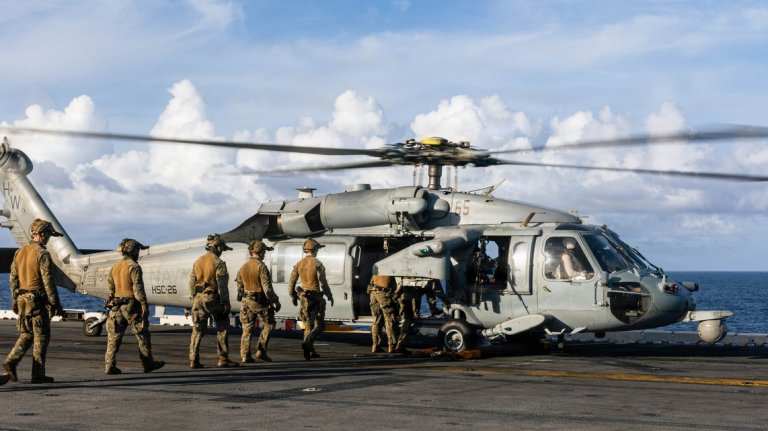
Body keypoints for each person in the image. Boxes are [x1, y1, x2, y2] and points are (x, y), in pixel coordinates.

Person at [1, 219, 65, 385]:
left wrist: (15, 301)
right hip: (37, 303)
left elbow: (13, 280)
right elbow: (48, 282)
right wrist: (56, 304)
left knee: (27, 334)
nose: (49, 238)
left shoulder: (20, 252)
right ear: (42, 234)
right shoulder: (42, 254)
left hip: (23, 301)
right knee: (42, 337)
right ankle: (38, 374)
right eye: (49, 234)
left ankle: (11, 361)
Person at [104, 238, 165, 375]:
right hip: (132, 307)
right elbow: (137, 288)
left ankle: (109, 365)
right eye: (137, 250)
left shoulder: (115, 267)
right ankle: (148, 364)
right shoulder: (134, 267)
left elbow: (110, 288)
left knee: (114, 337)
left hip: (116, 306)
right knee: (142, 335)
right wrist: (144, 304)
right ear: (133, 250)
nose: (138, 253)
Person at [188, 233, 238, 368]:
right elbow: (222, 286)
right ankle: (223, 358)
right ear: (216, 247)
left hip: (198, 298)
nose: (222, 251)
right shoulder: (219, 263)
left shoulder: (198, 261)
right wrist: (226, 303)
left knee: (197, 329)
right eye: (221, 248)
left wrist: (194, 297)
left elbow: (191, 282)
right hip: (212, 298)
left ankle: (193, 360)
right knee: (222, 326)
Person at [288, 238, 334, 360]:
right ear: (315, 250)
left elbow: (291, 282)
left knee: (308, 324)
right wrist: (329, 295)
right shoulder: (317, 264)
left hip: (303, 297)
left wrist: (293, 296)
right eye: (317, 249)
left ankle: (309, 351)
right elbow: (323, 282)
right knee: (320, 324)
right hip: (315, 297)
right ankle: (308, 343)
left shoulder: (299, 264)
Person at [236, 239, 280, 363]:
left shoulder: (243, 267)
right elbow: (267, 289)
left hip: (245, 301)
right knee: (269, 324)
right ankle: (261, 351)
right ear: (259, 252)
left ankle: (245, 355)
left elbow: (239, 287)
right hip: (258, 302)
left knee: (247, 328)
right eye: (264, 251)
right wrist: (275, 301)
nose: (264, 254)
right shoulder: (261, 267)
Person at [368, 274, 397, 353]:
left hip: (373, 293)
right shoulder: (389, 270)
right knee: (389, 320)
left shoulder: (377, 269)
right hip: (383, 293)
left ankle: (375, 346)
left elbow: (371, 281)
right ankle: (391, 346)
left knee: (376, 320)